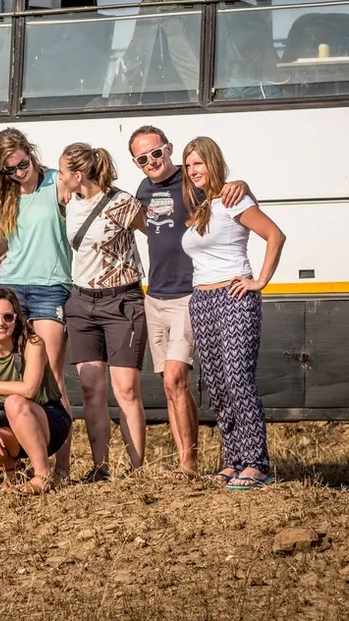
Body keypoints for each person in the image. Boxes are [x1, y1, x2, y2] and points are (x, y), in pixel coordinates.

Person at [129, 125, 248, 476]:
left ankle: (189, 462)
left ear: (168, 149)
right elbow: (148, 227)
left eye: (156, 153)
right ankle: (187, 460)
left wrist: (242, 186)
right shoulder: (143, 189)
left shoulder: (188, 179)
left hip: (188, 294)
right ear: (135, 162)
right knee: (169, 383)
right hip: (155, 296)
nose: (151, 161)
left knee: (175, 377)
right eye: (142, 158)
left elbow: (225, 192)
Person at [181, 136, 286, 490]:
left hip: (233, 295)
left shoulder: (233, 196)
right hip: (202, 300)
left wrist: (260, 281)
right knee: (218, 384)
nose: (193, 170)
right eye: (189, 164)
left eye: (199, 163)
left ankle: (257, 463)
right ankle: (234, 459)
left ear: (213, 162)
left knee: (239, 379)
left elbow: (274, 235)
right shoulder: (203, 206)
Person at [57, 143, 148, 480]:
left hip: (121, 301)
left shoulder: (122, 203)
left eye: (63, 172)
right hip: (82, 303)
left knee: (126, 389)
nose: (59, 177)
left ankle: (137, 468)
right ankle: (100, 467)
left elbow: (158, 231)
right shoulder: (71, 201)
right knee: (91, 388)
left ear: (78, 175)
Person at [0, 128, 73, 479]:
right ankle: (20, 461)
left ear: (31, 153)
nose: (19, 173)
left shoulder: (57, 182)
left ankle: (63, 465)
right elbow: (3, 238)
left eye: (23, 164)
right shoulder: (4, 193)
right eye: (10, 170)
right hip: (11, 286)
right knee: (16, 374)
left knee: (52, 377)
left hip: (51, 285)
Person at [0, 288, 72, 495]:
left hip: (48, 418)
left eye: (8, 317)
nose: (0, 322)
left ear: (17, 320)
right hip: (11, 422)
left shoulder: (33, 343)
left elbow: (29, 390)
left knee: (14, 402)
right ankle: (14, 469)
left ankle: (43, 475)